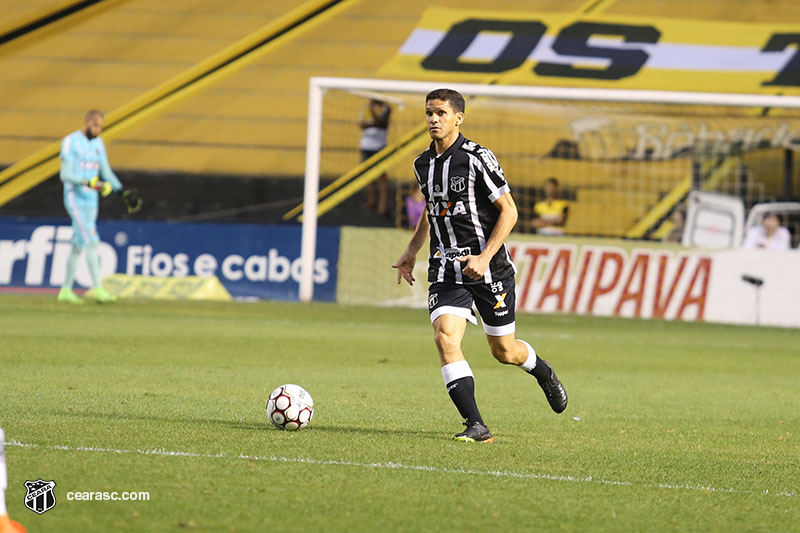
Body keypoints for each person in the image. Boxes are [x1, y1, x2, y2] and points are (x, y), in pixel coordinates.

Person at [392, 89, 568, 443]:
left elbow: (510, 210)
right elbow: (432, 209)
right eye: (429, 113)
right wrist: (412, 250)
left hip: (489, 268)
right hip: (445, 267)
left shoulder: (476, 158)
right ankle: (476, 424)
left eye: (441, 113)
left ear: (458, 118)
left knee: (504, 351)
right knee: (445, 337)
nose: (433, 119)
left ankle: (543, 371)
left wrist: (484, 257)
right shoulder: (421, 164)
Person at [57, 109, 141, 304]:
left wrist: (122, 192)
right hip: (75, 198)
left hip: (91, 200)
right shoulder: (71, 142)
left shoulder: (98, 144)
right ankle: (97, 288)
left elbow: (106, 171)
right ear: (86, 122)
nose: (98, 130)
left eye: (101, 127)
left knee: (78, 245)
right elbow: (65, 175)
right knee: (92, 241)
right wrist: (88, 182)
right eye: (95, 125)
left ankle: (65, 290)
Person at [359, 99, 391, 216]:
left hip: (379, 147)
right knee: (367, 176)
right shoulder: (365, 107)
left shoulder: (386, 108)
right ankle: (371, 201)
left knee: (381, 177)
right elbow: (362, 124)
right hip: (366, 146)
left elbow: (381, 123)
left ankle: (383, 205)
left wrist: (372, 114)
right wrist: (371, 122)